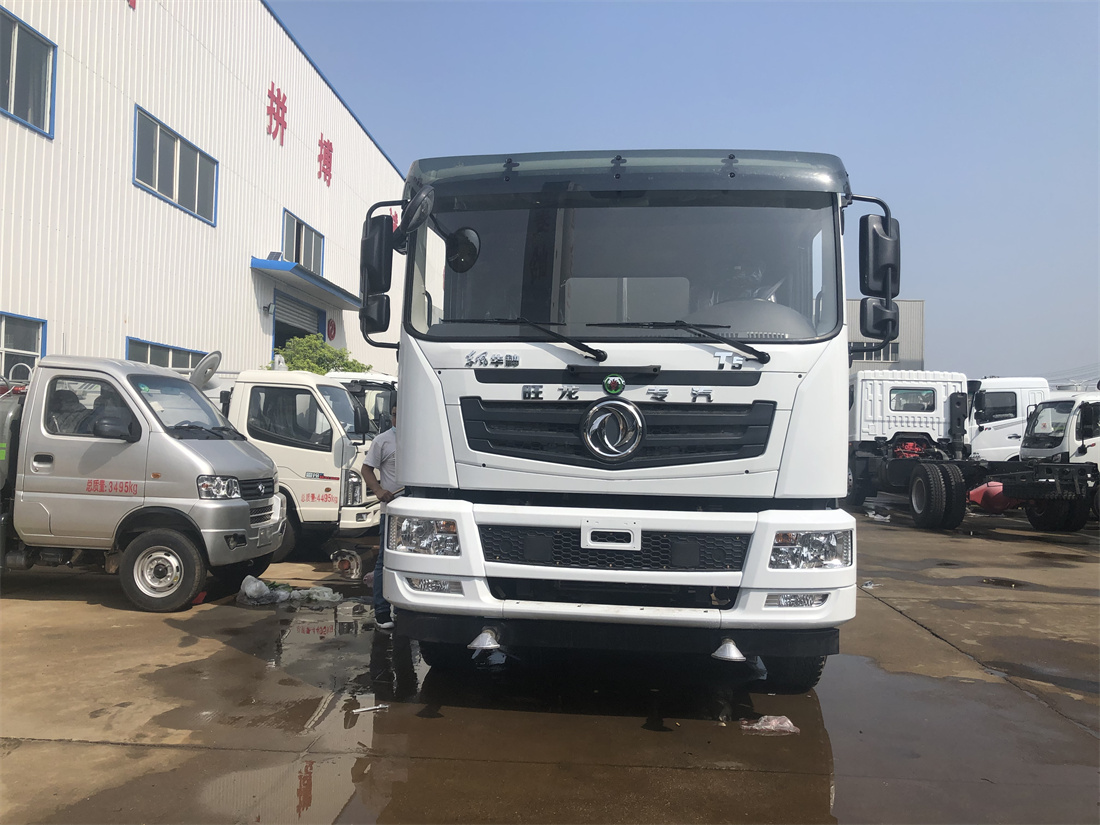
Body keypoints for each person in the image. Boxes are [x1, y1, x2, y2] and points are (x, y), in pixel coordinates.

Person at [363, 402, 399, 630]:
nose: (397, 419)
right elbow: (366, 469)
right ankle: (382, 612)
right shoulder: (383, 440)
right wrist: (378, 490)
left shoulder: (422, 439)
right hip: (391, 511)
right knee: (384, 561)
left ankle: (403, 608)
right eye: (394, 415)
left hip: (416, 511)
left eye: (402, 414)